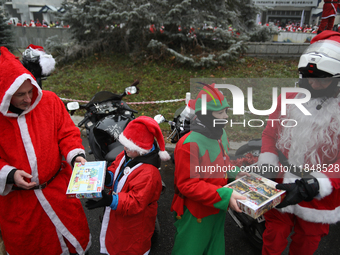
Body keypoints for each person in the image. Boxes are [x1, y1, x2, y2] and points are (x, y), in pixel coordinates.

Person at [0, 47, 91, 255]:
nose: (28, 99)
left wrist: (76, 155)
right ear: (5, 94)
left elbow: (67, 133)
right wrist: (10, 174)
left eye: (30, 91)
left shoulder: (49, 101)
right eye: (20, 95)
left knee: (74, 240)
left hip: (59, 192)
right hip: (21, 205)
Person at [257, 30, 340, 255]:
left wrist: (315, 184)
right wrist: (267, 161)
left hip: (319, 195)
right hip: (282, 182)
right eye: (308, 76)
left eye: (322, 79)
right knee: (273, 236)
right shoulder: (289, 98)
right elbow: (270, 134)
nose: (313, 83)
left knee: (307, 242)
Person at [170, 84, 247, 255]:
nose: (226, 117)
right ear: (205, 115)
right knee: (190, 250)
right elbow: (187, 185)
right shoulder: (188, 144)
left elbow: (222, 161)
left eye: (226, 111)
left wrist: (235, 173)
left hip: (217, 207)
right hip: (195, 213)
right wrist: (225, 195)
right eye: (220, 113)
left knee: (215, 248)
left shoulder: (220, 134)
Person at [85, 116, 170, 255]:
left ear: (142, 148)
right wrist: (107, 177)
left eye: (129, 146)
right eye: (124, 143)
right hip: (121, 217)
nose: (124, 148)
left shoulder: (149, 173)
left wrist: (111, 200)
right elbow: (115, 169)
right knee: (117, 242)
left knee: (129, 248)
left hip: (135, 225)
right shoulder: (127, 155)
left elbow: (136, 201)